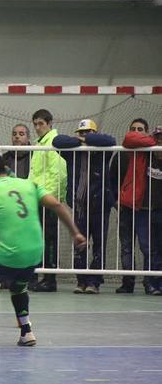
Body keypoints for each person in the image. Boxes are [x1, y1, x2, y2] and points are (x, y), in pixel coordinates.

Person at [0, 152, 86, 346]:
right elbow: (57, 204)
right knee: (18, 286)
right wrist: (75, 233)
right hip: (34, 252)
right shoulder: (28, 184)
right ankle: (26, 332)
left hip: (10, 252)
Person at [53, 119, 117, 294]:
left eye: (88, 132)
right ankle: (81, 281)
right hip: (80, 207)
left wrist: (87, 140)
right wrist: (81, 141)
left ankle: (94, 282)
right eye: (81, 132)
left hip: (100, 205)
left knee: (99, 245)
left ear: (95, 134)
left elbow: (111, 140)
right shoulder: (71, 152)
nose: (84, 135)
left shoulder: (102, 151)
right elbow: (57, 141)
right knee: (79, 244)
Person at [27, 109, 68, 292]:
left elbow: (58, 173)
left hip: (47, 200)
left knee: (50, 239)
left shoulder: (53, 142)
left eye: (40, 124)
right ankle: (40, 276)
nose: (37, 128)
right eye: (35, 124)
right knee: (38, 239)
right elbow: (34, 174)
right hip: (36, 198)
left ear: (50, 123)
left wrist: (48, 198)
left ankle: (50, 279)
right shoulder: (39, 144)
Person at [122, 125, 162, 295]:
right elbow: (128, 138)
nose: (160, 141)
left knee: (158, 248)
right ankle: (151, 283)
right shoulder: (143, 153)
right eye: (158, 137)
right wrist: (153, 143)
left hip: (160, 209)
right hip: (144, 209)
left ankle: (157, 282)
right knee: (148, 248)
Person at [114, 118, 149, 293]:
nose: (136, 132)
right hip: (125, 208)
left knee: (146, 246)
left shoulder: (151, 153)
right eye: (133, 129)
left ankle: (151, 283)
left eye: (140, 129)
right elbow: (111, 179)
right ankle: (128, 283)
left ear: (146, 132)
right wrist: (115, 200)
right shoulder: (121, 153)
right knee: (126, 247)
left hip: (144, 209)